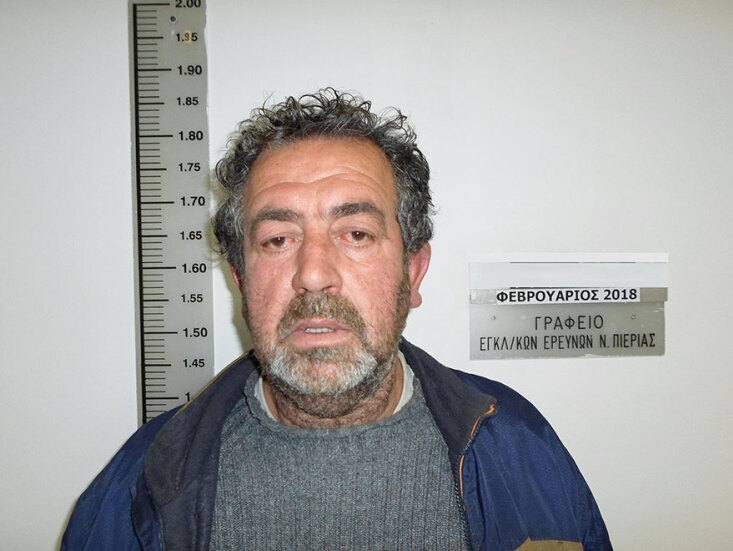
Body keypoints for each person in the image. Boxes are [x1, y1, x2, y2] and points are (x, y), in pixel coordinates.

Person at [61, 89, 612, 551]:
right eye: (277, 240)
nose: (313, 274)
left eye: (355, 234)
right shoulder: (140, 483)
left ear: (412, 272)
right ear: (241, 281)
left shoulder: (519, 448)